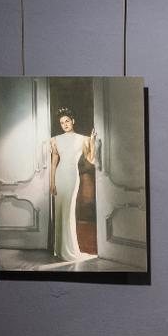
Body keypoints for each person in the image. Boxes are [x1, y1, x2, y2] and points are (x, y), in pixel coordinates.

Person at [49, 107, 96, 262]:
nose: (65, 124)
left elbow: (91, 159)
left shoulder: (83, 139)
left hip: (71, 177)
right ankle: (60, 250)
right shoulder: (55, 139)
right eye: (62, 122)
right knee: (59, 211)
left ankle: (70, 250)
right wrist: (51, 182)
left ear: (73, 121)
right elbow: (54, 163)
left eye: (67, 121)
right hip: (60, 176)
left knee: (68, 211)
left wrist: (93, 142)